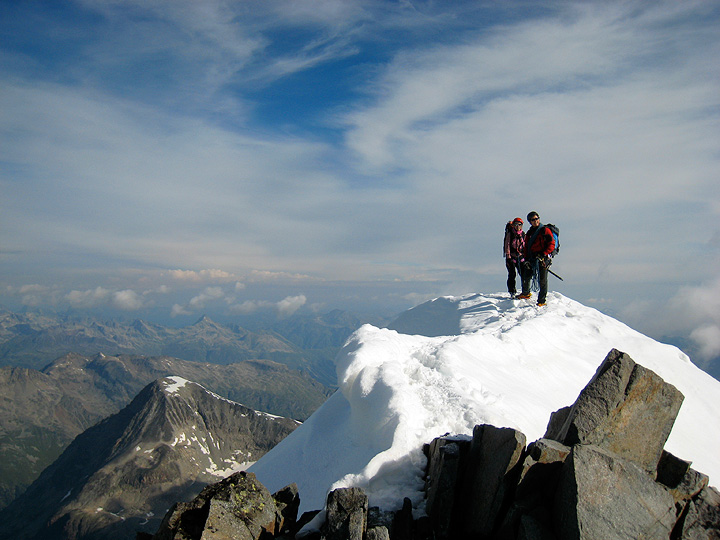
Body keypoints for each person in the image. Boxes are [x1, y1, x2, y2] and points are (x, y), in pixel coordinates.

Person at [517, 211, 555, 306]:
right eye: (533, 220)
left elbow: (552, 244)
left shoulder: (545, 230)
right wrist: (525, 258)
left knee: (542, 280)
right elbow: (526, 247)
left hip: (543, 258)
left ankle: (541, 301)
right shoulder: (530, 232)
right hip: (532, 258)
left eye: (536, 218)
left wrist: (544, 253)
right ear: (530, 221)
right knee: (526, 275)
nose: (535, 221)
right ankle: (526, 293)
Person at [503, 217, 526, 298]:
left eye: (520, 225)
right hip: (511, 257)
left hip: (521, 257)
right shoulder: (510, 234)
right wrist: (508, 256)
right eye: (516, 224)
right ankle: (512, 291)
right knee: (512, 274)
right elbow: (507, 245)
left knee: (524, 274)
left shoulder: (523, 234)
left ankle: (525, 291)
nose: (518, 226)